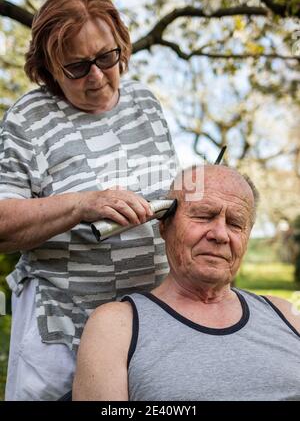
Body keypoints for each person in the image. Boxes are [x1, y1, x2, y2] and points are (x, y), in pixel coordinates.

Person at [0, 0, 177, 401]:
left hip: (146, 322)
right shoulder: (28, 119)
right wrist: (83, 204)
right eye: (77, 67)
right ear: (49, 68)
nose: (97, 76)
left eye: (106, 57)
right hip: (62, 330)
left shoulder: (146, 104)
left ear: (121, 44)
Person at [73, 165, 300, 401]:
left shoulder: (285, 315)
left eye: (235, 223)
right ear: (164, 225)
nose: (220, 234)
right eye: (203, 216)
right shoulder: (117, 326)